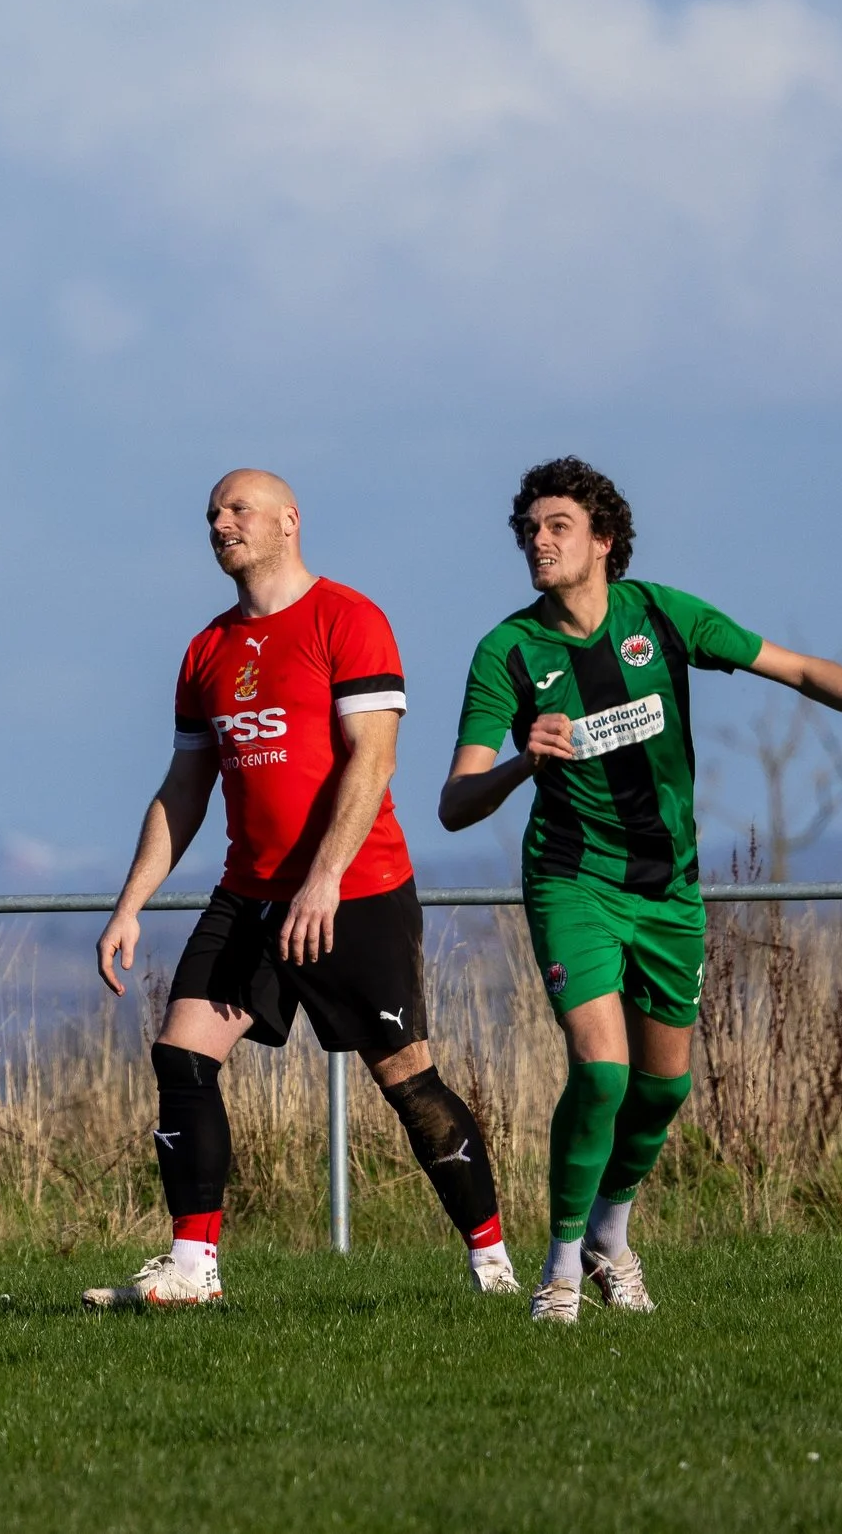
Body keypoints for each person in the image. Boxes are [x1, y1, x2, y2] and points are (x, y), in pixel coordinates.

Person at [440, 457, 842, 1323]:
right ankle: (558, 1271)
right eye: (528, 529)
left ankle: (610, 1237)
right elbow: (454, 803)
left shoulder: (662, 617)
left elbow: (799, 669)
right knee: (602, 1074)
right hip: (573, 881)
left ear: (603, 541)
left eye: (557, 525)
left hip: (670, 889)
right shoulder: (508, 652)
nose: (538, 541)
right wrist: (526, 761)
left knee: (664, 1089)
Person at [87, 469, 515, 1310]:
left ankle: (495, 1265)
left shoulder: (347, 619)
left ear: (289, 521)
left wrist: (323, 881)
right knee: (181, 1054)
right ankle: (191, 1267)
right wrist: (128, 904)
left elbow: (374, 759)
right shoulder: (207, 649)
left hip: (356, 893)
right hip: (250, 894)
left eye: (238, 509)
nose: (220, 523)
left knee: (406, 1081)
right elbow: (184, 788)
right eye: (211, 512)